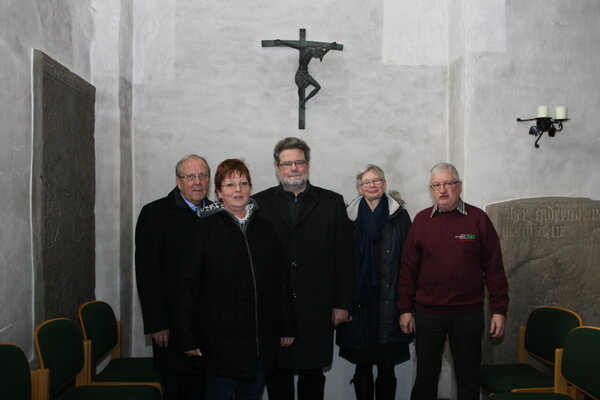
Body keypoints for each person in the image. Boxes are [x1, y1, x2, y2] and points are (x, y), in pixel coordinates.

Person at [173, 159, 296, 400]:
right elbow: (185, 287)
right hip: (220, 345)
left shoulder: (265, 229)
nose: (237, 190)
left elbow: (281, 281)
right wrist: (186, 336)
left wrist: (287, 325)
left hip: (259, 345)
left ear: (250, 188)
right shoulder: (203, 230)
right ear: (218, 191)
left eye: (243, 183)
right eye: (229, 185)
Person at [253, 137, 355, 400]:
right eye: (287, 163)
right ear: (278, 168)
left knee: (312, 375)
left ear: (308, 165)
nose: (294, 168)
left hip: (317, 306)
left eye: (299, 161)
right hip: (275, 307)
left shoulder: (332, 202)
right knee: (278, 375)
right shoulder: (258, 204)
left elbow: (344, 256)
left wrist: (341, 303)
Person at [397, 162, 509, 400]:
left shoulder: (478, 219)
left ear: (459, 186)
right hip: (428, 314)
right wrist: (405, 309)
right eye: (436, 185)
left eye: (448, 183)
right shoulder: (421, 221)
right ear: (431, 189)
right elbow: (408, 269)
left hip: (467, 314)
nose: (442, 190)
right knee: (426, 376)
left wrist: (499, 310)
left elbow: (494, 268)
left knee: (468, 377)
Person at [135, 154, 212, 399]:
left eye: (202, 176)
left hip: (208, 325)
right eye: (190, 176)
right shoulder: (155, 214)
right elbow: (147, 273)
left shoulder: (216, 214)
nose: (197, 182)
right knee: (178, 389)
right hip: (172, 325)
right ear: (179, 182)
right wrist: (157, 323)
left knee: (205, 388)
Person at [336, 164, 413, 400]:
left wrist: (407, 307)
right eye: (366, 182)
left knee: (387, 366)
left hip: (390, 302)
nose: (372, 185)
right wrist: (343, 303)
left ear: (384, 183)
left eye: (376, 180)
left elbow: (409, 264)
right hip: (359, 303)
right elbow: (340, 263)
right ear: (359, 187)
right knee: (362, 366)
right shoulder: (348, 216)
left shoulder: (399, 215)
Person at [274, 39, 338, 108]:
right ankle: (302, 100)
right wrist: (281, 42)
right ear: (315, 51)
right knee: (300, 89)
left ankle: (304, 101)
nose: (316, 58)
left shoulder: (315, 52)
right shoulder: (303, 49)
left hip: (306, 73)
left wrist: (331, 45)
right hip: (299, 73)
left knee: (318, 87)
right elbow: (291, 45)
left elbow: (324, 52)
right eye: (316, 56)